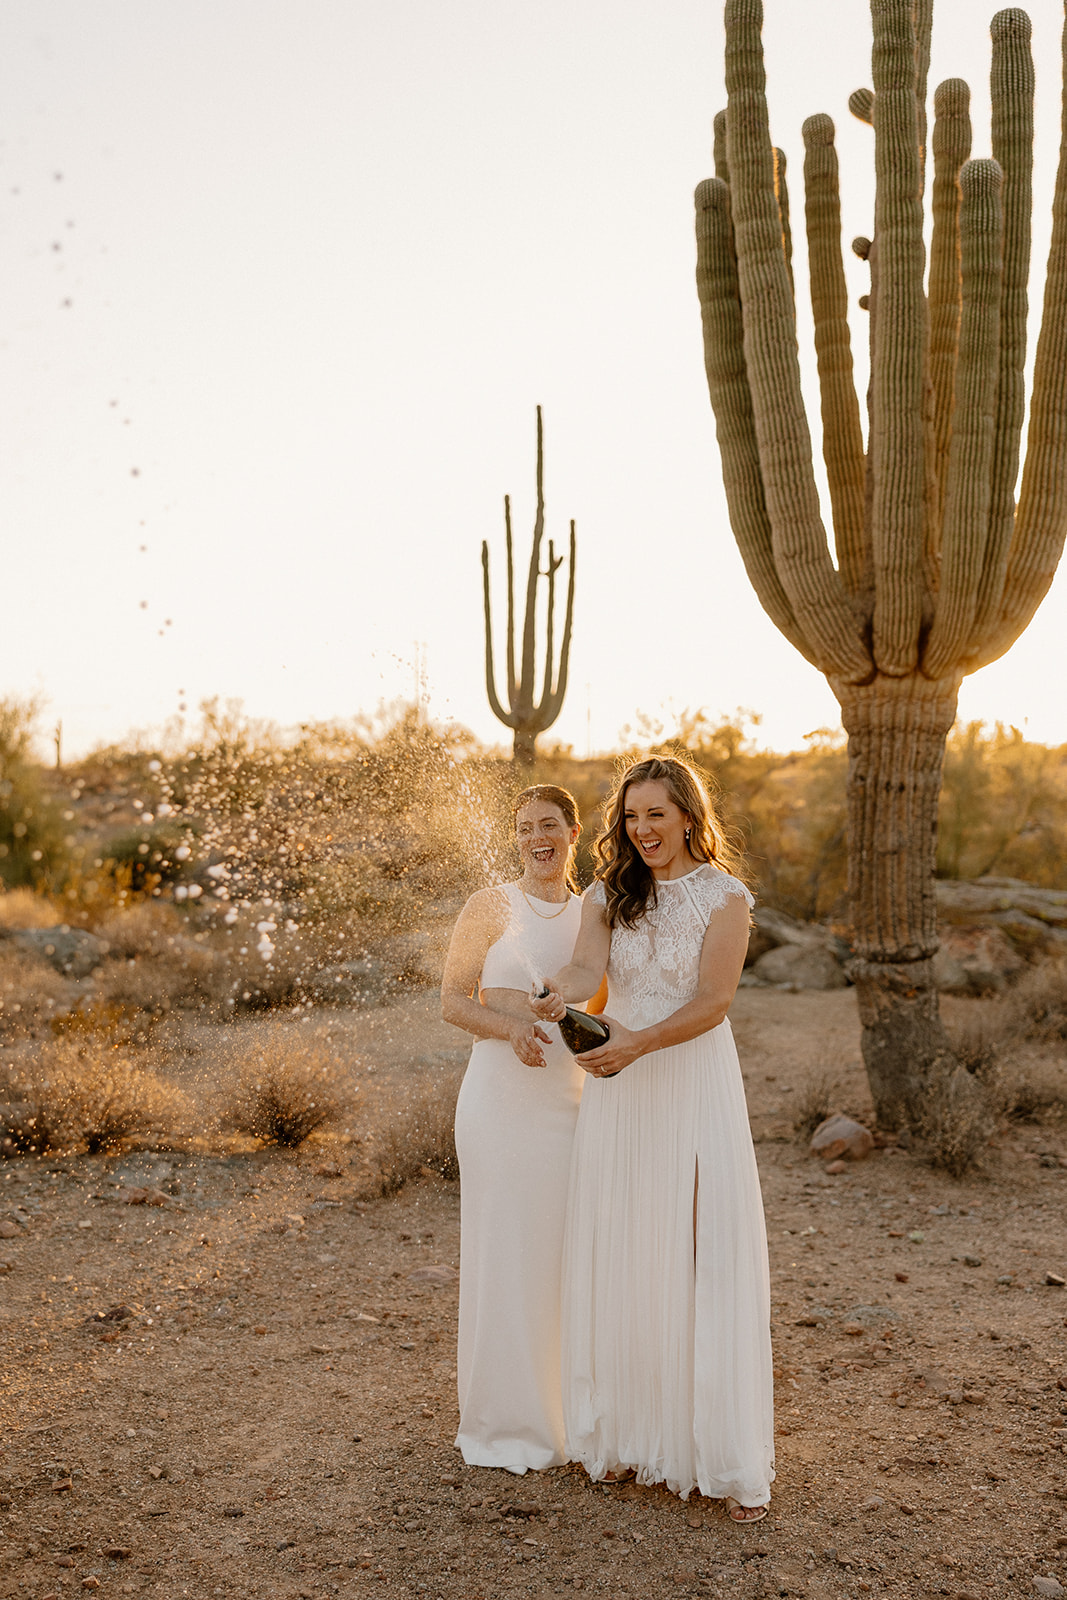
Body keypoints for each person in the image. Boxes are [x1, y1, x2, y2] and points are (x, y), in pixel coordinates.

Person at [532, 756, 774, 1520]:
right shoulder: (609, 891)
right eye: (631, 818)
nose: (641, 831)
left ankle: (720, 1456)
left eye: (656, 817)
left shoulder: (725, 897)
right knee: (626, 1245)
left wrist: (639, 1043)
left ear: (689, 818)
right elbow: (584, 969)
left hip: (688, 1077)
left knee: (699, 1251)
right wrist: (557, 996)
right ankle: (627, 1438)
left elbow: (713, 1002)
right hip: (619, 1085)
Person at [441, 783, 586, 1474]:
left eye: (550, 824)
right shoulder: (488, 906)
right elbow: (451, 1001)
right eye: (526, 826)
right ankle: (505, 1421)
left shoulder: (593, 918)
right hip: (499, 1101)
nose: (538, 836)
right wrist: (512, 1031)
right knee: (504, 1251)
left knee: (562, 1255)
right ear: (516, 837)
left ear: (573, 832)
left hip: (570, 1103)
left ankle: (567, 1416)